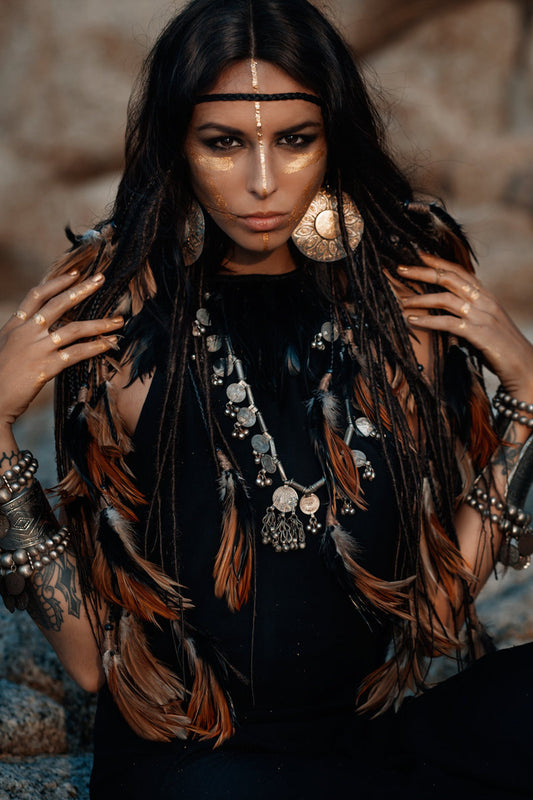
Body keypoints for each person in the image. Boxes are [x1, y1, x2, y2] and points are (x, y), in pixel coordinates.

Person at [1, 1, 532, 797]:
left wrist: (527, 390)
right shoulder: (116, 321)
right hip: (197, 762)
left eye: (294, 141)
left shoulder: (403, 303)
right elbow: (89, 663)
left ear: (333, 139)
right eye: (223, 143)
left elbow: (436, 610)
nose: (261, 181)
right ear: (177, 144)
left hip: (372, 736)